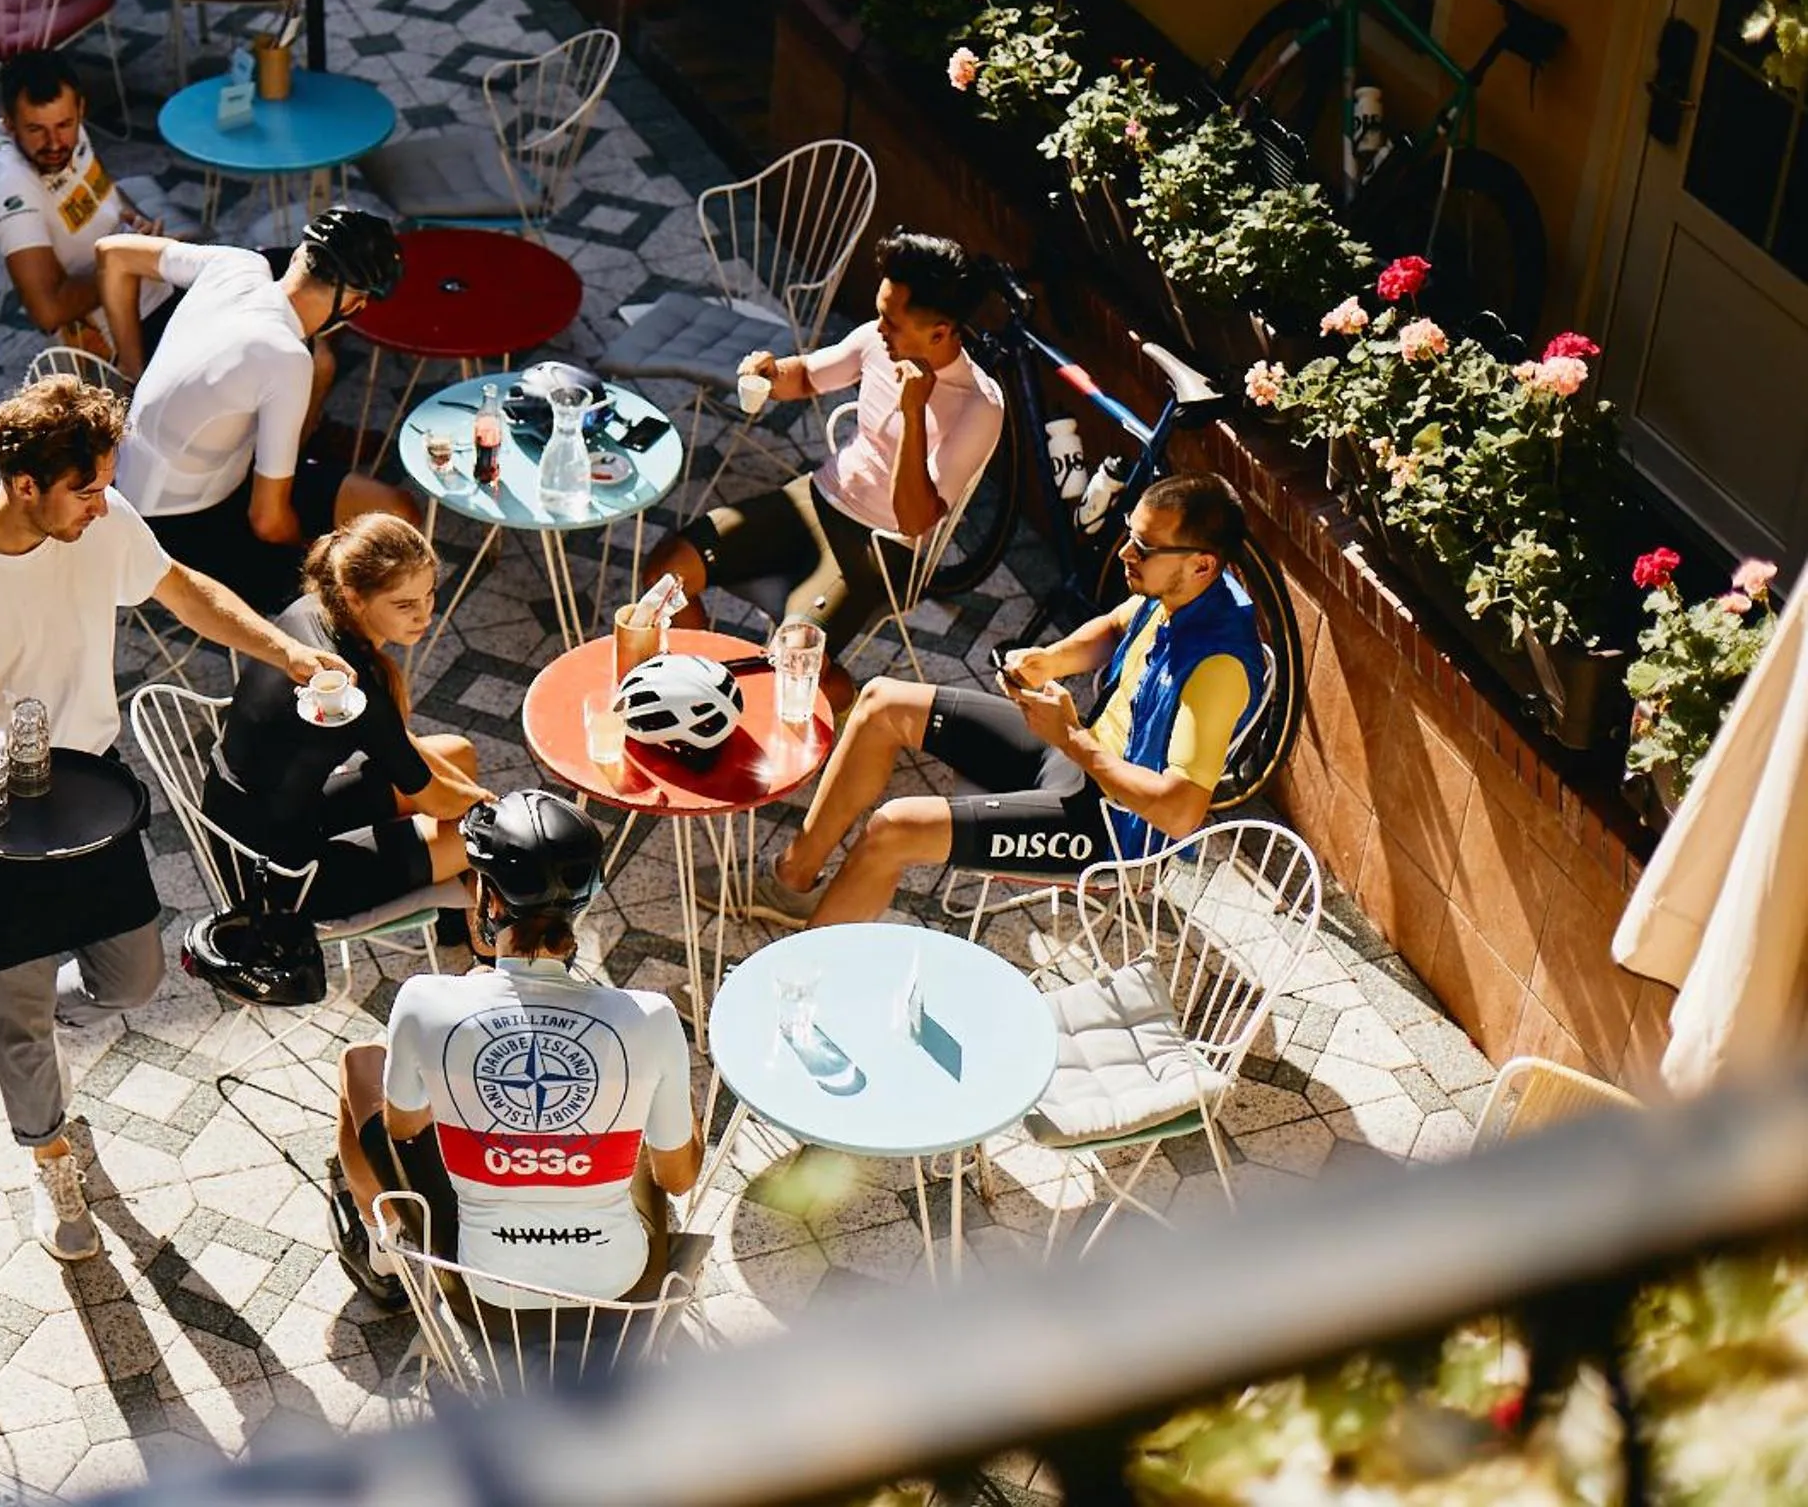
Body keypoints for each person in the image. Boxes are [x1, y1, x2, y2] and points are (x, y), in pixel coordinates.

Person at [0, 373, 351, 1262]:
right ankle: (50, 1155)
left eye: (104, 483)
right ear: (26, 486)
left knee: (133, 977)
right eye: (87, 486)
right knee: (14, 1014)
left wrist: (290, 651)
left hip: (92, 786)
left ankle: (35, 1034)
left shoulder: (101, 523)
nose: (104, 503)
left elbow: (183, 590)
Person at [750, 473, 1267, 927]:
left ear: (1202, 565)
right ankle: (793, 879)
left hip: (1111, 829)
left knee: (894, 828)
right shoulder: (1178, 591)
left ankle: (801, 989)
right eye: (1130, 536)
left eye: (1145, 548)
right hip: (1074, 757)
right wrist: (1049, 661)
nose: (1126, 553)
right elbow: (1115, 625)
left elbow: (1179, 814)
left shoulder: (1217, 667)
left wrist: (1070, 737)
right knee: (882, 701)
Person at [329, 792, 703, 1311]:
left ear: (490, 898)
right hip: (620, 1280)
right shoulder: (653, 1019)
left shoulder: (422, 1001)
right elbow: (677, 1179)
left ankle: (383, 1254)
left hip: (487, 1283)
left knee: (358, 1063)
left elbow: (405, 1128)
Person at [636, 229, 1007, 710]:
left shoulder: (980, 406)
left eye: (891, 323)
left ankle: (840, 695)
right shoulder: (879, 340)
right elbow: (807, 375)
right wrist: (769, 373)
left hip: (881, 546)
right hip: (814, 499)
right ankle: (701, 692)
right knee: (667, 572)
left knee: (792, 666)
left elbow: (914, 520)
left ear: (939, 333)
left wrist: (915, 413)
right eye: (880, 314)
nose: (879, 330)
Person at [92, 206, 421, 611]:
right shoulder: (286, 358)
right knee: (360, 598)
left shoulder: (238, 263)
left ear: (300, 254)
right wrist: (314, 550)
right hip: (174, 527)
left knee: (397, 512)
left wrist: (132, 368)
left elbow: (113, 253)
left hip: (209, 476)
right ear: (355, 306)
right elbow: (268, 521)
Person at [202, 512, 493, 935]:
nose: (424, 615)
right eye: (404, 604)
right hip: (283, 877)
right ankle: (482, 938)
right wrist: (491, 808)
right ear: (355, 598)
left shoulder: (310, 610)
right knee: (483, 835)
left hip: (263, 813)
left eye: (429, 595)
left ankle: (456, 924)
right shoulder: (352, 693)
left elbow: (400, 746)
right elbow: (438, 801)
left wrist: (474, 799)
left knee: (459, 754)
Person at [0, 50, 173, 361]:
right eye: (36, 130)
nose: (55, 143)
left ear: (80, 109)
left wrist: (140, 226)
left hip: (159, 288)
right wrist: (126, 264)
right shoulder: (13, 192)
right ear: (9, 124)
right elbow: (47, 311)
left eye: (64, 125)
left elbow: (104, 194)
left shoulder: (73, 133)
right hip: (126, 335)